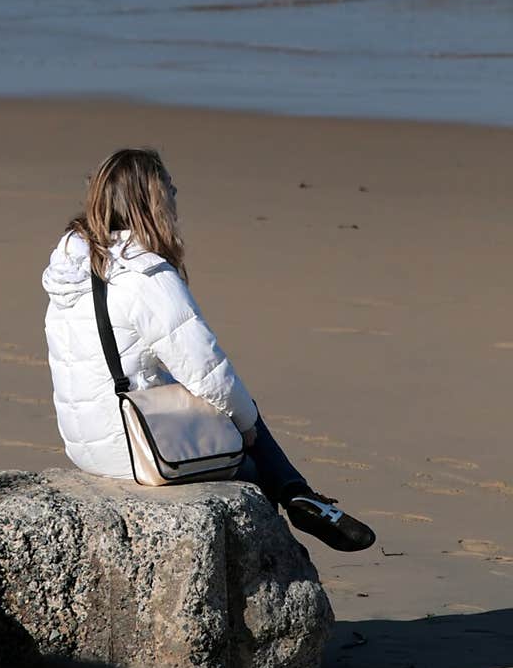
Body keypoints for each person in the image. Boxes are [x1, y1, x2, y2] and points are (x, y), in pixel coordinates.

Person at [41, 146, 375, 554]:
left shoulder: (73, 268)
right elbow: (206, 369)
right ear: (152, 202)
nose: (176, 198)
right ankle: (295, 498)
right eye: (170, 190)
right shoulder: (145, 276)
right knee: (248, 453)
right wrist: (246, 425)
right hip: (136, 446)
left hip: (84, 444)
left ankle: (299, 495)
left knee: (229, 403)